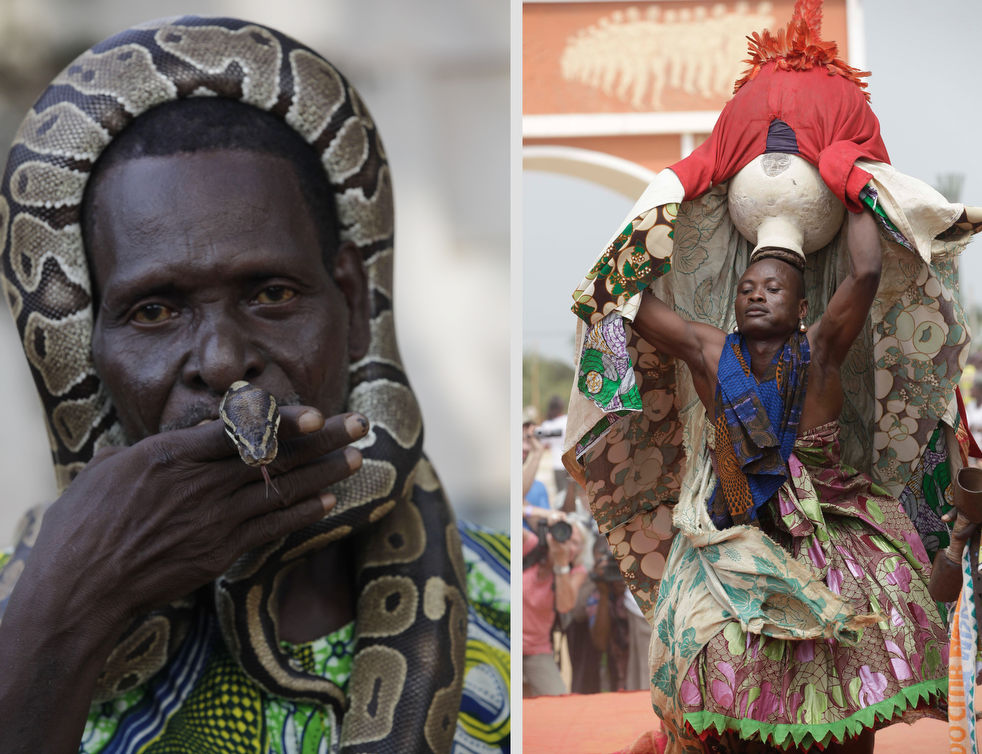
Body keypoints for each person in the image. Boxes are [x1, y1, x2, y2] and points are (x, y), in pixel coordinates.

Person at [0, 17, 509, 754]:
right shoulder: (23, 609)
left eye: (271, 294)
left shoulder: (507, 610)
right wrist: (69, 603)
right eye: (153, 310)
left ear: (357, 307)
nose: (222, 359)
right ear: (81, 349)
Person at [522, 507, 587, 697]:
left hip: (537, 649)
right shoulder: (531, 547)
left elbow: (565, 605)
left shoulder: (577, 571)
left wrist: (561, 564)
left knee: (559, 700)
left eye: (576, 543)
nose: (568, 545)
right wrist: (546, 515)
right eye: (564, 535)